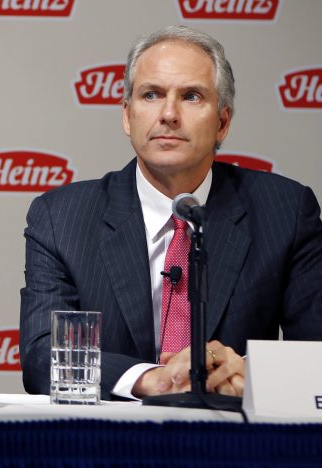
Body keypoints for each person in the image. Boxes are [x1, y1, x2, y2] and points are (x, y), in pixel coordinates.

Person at [20, 26, 322, 401]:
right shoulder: (61, 217)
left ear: (222, 123)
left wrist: (252, 374)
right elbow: (40, 356)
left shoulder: (286, 211)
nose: (168, 114)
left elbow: (316, 355)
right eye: (152, 94)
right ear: (128, 117)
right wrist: (154, 379)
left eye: (191, 96)